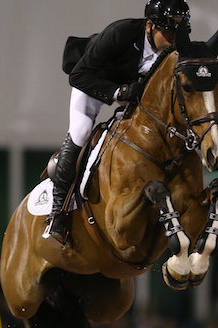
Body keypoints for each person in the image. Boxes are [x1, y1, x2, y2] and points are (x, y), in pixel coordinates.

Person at [43, 0, 192, 245]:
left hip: (133, 94)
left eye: (179, 33)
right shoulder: (120, 33)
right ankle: (57, 214)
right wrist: (118, 92)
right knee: (80, 133)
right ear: (149, 27)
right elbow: (79, 76)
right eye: (168, 32)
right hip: (95, 82)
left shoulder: (174, 50)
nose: (174, 39)